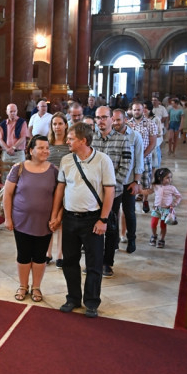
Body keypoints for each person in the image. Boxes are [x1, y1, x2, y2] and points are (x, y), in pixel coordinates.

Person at [49, 123, 115, 318]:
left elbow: (110, 191)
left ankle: (92, 302)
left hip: (92, 219)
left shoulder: (103, 160)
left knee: (94, 263)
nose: (67, 141)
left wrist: (103, 219)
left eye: (71, 139)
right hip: (70, 217)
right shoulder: (66, 160)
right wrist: (55, 215)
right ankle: (73, 298)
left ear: (83, 141)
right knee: (69, 260)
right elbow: (60, 189)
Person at [3, 135, 58, 302]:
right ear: (31, 150)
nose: (45, 151)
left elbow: (59, 197)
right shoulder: (18, 168)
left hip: (44, 223)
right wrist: (8, 218)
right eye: (41, 148)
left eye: (47, 148)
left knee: (40, 256)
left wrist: (56, 217)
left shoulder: (54, 171)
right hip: (21, 221)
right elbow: (7, 194)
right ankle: (23, 285)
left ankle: (36, 287)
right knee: (23, 255)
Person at [91, 106, 133, 278]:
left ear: (111, 119)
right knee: (92, 228)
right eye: (98, 117)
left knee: (110, 227)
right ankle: (94, 262)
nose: (100, 121)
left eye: (104, 117)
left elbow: (125, 166)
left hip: (113, 193)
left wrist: (111, 186)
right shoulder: (91, 139)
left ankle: (107, 262)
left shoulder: (123, 140)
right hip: (93, 192)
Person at [112, 109, 144, 255]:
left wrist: (137, 181)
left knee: (129, 212)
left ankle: (131, 239)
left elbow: (139, 160)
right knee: (113, 213)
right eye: (113, 120)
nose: (115, 123)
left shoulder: (135, 136)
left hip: (129, 181)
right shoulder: (110, 135)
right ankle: (114, 241)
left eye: (118, 120)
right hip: (113, 182)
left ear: (125, 120)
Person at [47, 112, 70, 268]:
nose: (57, 127)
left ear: (66, 125)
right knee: (49, 219)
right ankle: (47, 253)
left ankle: (60, 254)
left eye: (60, 123)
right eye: (54, 124)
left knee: (61, 221)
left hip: (66, 185)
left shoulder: (69, 144)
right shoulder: (48, 143)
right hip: (49, 186)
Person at [127, 101, 157, 211]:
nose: (136, 112)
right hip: (131, 158)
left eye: (138, 110)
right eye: (134, 110)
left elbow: (152, 143)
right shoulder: (128, 124)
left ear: (142, 110)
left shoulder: (150, 123)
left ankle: (145, 200)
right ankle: (131, 201)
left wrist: (142, 156)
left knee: (145, 181)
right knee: (131, 180)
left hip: (145, 157)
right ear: (132, 111)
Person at [141, 168, 181, 249]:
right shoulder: (155, 186)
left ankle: (162, 239)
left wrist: (174, 204)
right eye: (167, 178)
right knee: (153, 223)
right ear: (160, 178)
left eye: (170, 177)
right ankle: (154, 235)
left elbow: (178, 196)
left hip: (166, 210)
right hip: (157, 209)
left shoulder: (172, 188)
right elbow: (148, 192)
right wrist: (140, 191)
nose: (170, 179)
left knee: (163, 225)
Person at [0, 103, 28, 182]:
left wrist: (13, 148)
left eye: (14, 111)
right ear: (7, 112)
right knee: (5, 175)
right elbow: (0, 139)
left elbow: (23, 137)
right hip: (6, 153)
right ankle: (5, 189)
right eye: (11, 111)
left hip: (18, 153)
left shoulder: (22, 122)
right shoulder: (3, 124)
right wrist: (7, 149)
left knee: (20, 175)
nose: (13, 113)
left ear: (17, 111)